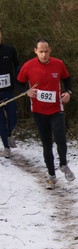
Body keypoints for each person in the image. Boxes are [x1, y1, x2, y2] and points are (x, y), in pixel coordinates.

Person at [17, 38, 75, 188]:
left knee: (61, 140)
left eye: (46, 51)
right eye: (40, 51)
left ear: (50, 50)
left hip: (56, 110)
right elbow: (18, 83)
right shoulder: (28, 66)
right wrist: (26, 91)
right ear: (35, 51)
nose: (43, 54)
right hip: (38, 112)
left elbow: (67, 78)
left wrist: (68, 92)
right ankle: (51, 174)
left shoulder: (58, 64)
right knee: (46, 144)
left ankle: (63, 164)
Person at [0, 25, 20, 158]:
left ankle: (8, 134)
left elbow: (18, 66)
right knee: (0, 121)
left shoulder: (10, 50)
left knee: (13, 117)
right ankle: (6, 147)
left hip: (8, 91)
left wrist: (20, 80)